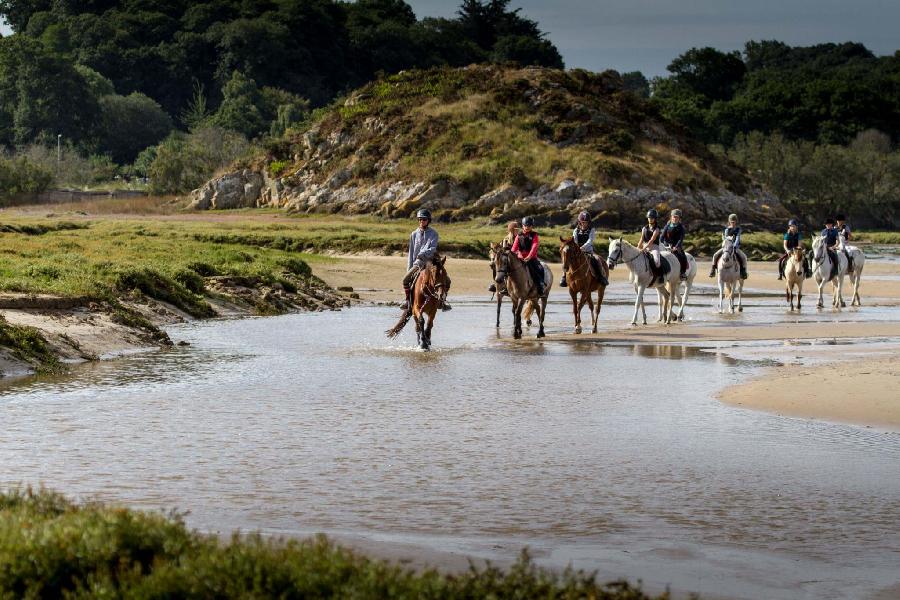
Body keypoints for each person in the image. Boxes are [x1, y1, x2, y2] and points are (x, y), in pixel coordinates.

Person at [401, 208, 449, 310]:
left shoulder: (434, 234)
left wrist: (422, 253)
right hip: (418, 263)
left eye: (424, 219)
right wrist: (409, 268)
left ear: (428, 220)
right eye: (420, 219)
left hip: (431, 262)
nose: (421, 221)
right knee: (405, 280)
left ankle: (443, 301)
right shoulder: (413, 234)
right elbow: (411, 253)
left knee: (447, 280)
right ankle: (407, 301)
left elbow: (432, 249)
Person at [560, 211, 609, 287]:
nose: (584, 224)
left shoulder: (592, 230)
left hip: (588, 251)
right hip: (577, 251)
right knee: (567, 259)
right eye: (582, 222)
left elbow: (590, 241)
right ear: (579, 222)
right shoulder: (576, 230)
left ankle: (601, 277)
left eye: (586, 222)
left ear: (589, 222)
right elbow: (575, 240)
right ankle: (563, 277)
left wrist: (583, 247)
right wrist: (577, 248)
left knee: (597, 260)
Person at [511, 216, 544, 295]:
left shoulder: (534, 235)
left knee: (540, 269)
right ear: (522, 226)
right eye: (525, 225)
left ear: (532, 226)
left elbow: (534, 247)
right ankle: (504, 287)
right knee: (506, 267)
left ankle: (540, 286)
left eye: (529, 226)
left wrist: (529, 257)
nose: (527, 227)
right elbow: (514, 249)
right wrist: (519, 255)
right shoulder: (519, 236)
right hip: (520, 258)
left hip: (531, 258)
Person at [709, 213, 748, 280]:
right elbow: (725, 239)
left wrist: (735, 245)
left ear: (736, 221)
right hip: (727, 248)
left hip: (735, 247)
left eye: (734, 221)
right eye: (731, 221)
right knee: (715, 255)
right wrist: (725, 244)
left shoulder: (738, 229)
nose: (733, 222)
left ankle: (743, 271)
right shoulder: (727, 230)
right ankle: (713, 270)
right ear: (729, 221)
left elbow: (738, 238)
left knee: (744, 257)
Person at [488, 221, 520, 293]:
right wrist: (493, 258)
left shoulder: (520, 238)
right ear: (511, 230)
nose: (518, 231)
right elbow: (498, 250)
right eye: (516, 230)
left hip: (517, 259)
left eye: (517, 230)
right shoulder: (505, 240)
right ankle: (496, 284)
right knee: (495, 265)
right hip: (506, 259)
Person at [660, 209, 688, 279]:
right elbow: (662, 236)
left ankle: (682, 273)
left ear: (679, 218)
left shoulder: (681, 228)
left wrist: (676, 247)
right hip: (666, 245)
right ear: (671, 217)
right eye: (674, 217)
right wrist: (660, 243)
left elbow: (680, 239)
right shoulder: (667, 226)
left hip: (676, 245)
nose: (675, 218)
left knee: (682, 257)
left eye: (677, 217)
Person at [637, 208, 662, 281]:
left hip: (654, 247)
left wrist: (644, 249)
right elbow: (641, 239)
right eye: (649, 218)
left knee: (657, 262)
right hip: (645, 246)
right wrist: (637, 247)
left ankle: (660, 276)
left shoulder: (657, 229)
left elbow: (651, 240)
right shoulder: (644, 228)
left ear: (655, 219)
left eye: (652, 218)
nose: (650, 219)